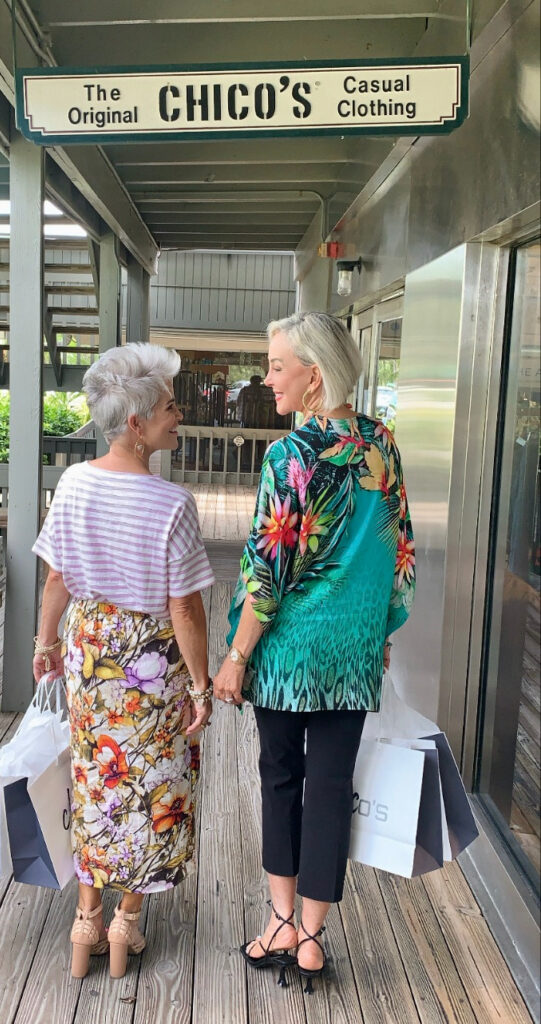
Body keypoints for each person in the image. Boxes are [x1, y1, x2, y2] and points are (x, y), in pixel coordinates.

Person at [213, 311, 416, 993]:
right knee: (331, 785)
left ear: (313, 374)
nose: (266, 378)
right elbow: (400, 553)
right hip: (353, 646)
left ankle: (277, 920)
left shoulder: (290, 455)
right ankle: (310, 936)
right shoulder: (381, 445)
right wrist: (380, 632)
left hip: (289, 652)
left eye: (276, 365)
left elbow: (264, 572)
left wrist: (237, 655)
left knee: (279, 777)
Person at [32, 342, 215, 982]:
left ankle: (86, 918)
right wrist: (200, 685)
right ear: (136, 424)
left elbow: (57, 577)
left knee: (95, 778)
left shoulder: (73, 484)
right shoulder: (172, 505)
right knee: (150, 782)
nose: (179, 414)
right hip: (149, 663)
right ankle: (125, 924)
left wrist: (45, 642)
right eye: (169, 406)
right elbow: (185, 610)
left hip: (90, 656)